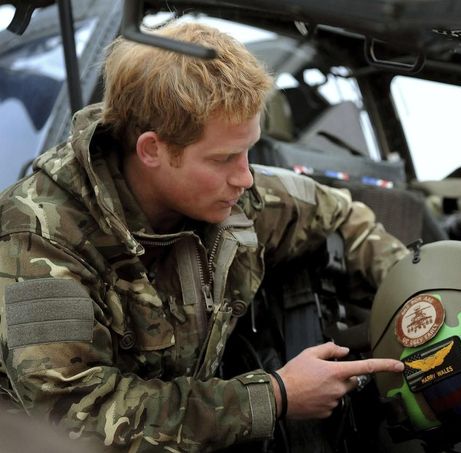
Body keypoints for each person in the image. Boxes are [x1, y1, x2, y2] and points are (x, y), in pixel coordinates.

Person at [0, 22, 407, 451]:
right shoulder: (39, 237)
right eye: (225, 157)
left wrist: (420, 303)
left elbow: (343, 215)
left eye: (248, 150)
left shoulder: (235, 200)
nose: (246, 177)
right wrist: (275, 396)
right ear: (152, 150)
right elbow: (77, 417)